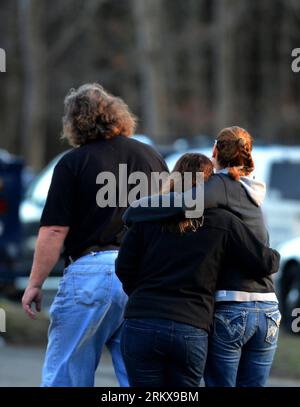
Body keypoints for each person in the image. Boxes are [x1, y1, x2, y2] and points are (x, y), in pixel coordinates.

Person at [21, 83, 168, 387]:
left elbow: (54, 229)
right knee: (141, 381)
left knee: (67, 375)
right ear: (119, 115)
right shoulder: (153, 159)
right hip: (144, 277)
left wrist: (35, 283)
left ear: (75, 122)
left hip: (92, 273)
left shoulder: (74, 163)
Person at [123, 126, 281, 387]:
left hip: (233, 306)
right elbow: (262, 256)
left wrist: (135, 211)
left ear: (215, 150)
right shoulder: (252, 192)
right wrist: (274, 258)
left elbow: (186, 204)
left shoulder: (221, 186)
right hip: (267, 308)